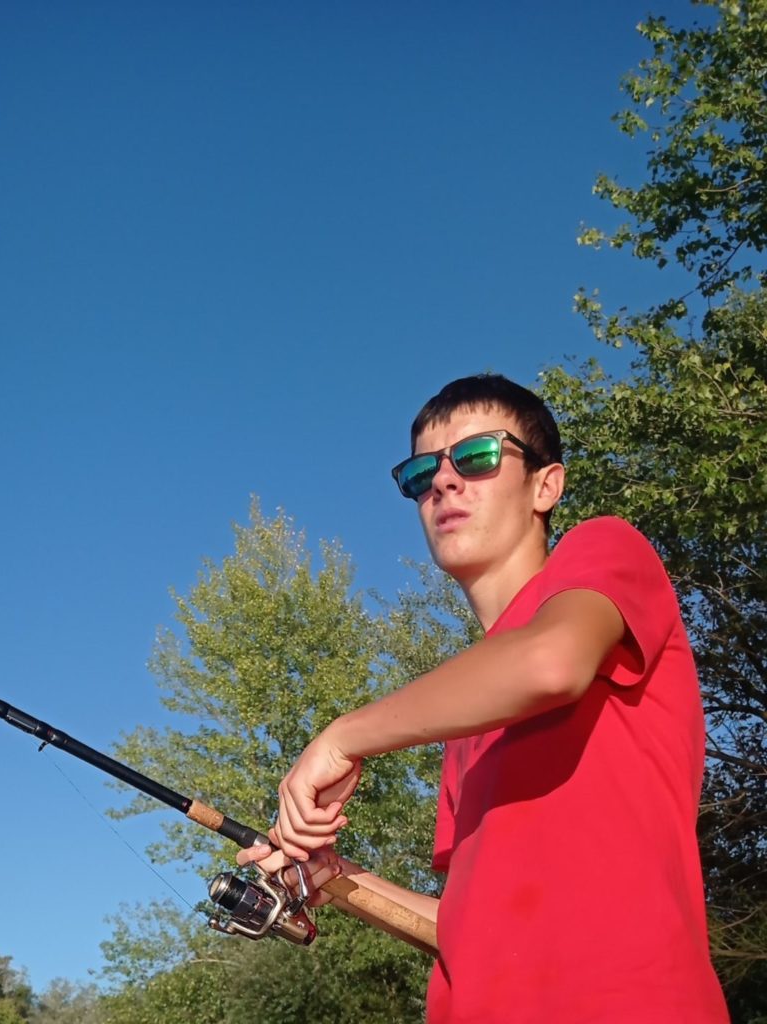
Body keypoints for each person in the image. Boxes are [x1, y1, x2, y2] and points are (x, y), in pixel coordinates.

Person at [239, 374, 728, 1022]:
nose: (443, 482)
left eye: (476, 456)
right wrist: (335, 877)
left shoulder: (605, 549)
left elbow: (550, 662)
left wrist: (341, 737)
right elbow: (468, 928)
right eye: (421, 474)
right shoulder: (466, 716)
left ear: (546, 485)